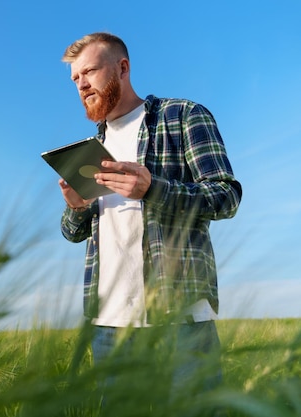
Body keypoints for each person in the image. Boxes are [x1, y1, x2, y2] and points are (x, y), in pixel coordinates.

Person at [58, 32, 242, 411]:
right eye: (76, 79)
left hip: (180, 319)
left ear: (122, 68)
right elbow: (72, 234)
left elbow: (226, 196)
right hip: (109, 325)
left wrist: (154, 189)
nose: (82, 85)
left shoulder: (183, 116)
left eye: (90, 71)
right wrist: (76, 209)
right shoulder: (92, 149)